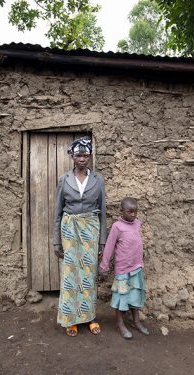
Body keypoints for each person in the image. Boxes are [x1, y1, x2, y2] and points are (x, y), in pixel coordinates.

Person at [53, 136, 106, 337]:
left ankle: (90, 317)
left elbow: (102, 210)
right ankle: (71, 319)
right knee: (70, 274)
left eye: (85, 154)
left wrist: (102, 241)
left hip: (90, 230)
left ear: (90, 156)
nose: (82, 158)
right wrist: (56, 240)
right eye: (78, 155)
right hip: (69, 229)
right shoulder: (64, 180)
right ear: (72, 157)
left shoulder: (98, 180)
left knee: (89, 275)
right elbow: (57, 212)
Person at [99, 197, 149, 339]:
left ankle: (136, 321)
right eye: (130, 212)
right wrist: (104, 264)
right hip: (123, 269)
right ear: (122, 211)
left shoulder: (137, 224)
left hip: (136, 267)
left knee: (135, 296)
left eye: (135, 212)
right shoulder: (117, 227)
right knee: (121, 297)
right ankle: (120, 323)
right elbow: (109, 247)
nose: (133, 214)